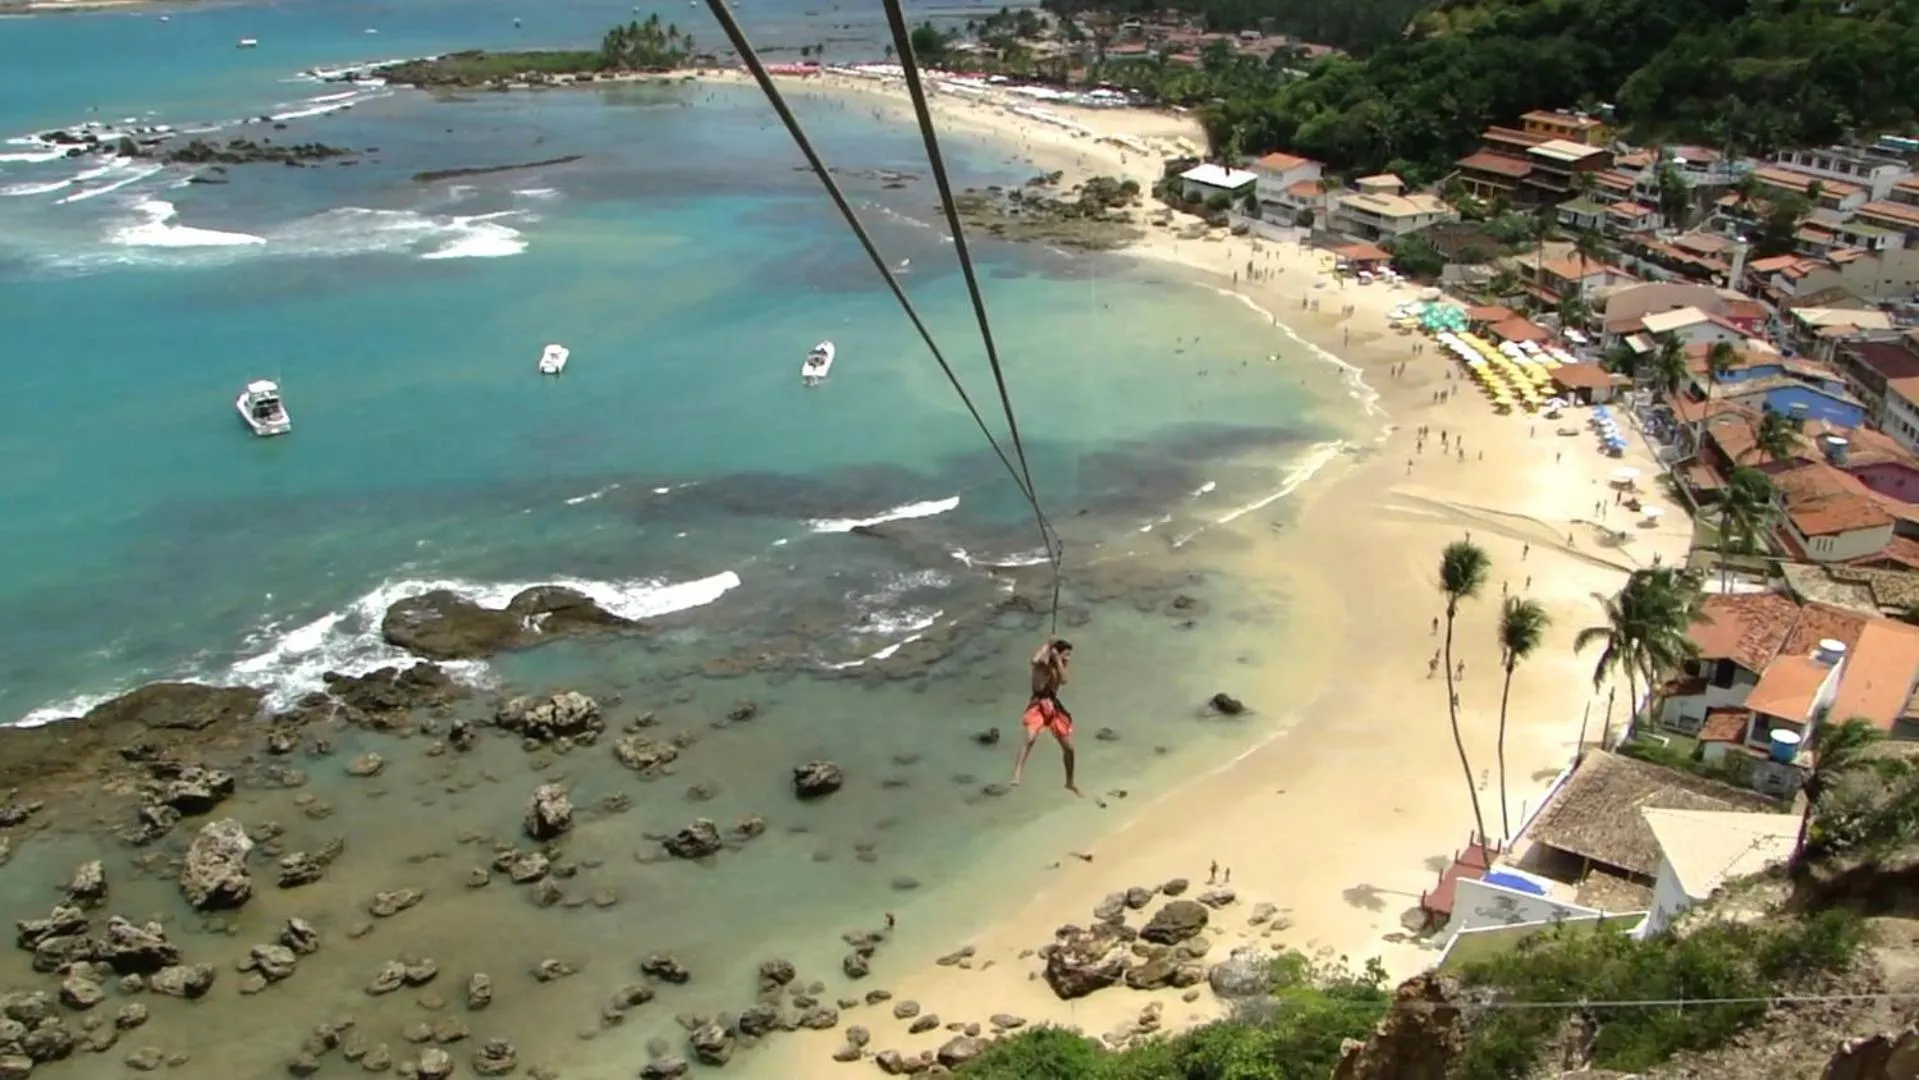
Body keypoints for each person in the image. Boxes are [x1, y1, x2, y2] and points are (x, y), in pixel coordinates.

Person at [1013, 637, 1079, 795]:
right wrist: (1048, 645)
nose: (1068, 659)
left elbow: (1064, 680)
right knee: (1030, 737)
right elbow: (1035, 660)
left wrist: (1058, 660)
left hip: (1053, 707)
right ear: (1058, 653)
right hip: (1038, 704)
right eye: (1067, 655)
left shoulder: (1060, 666)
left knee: (1069, 749)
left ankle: (1069, 782)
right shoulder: (1042, 665)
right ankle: (1017, 773)